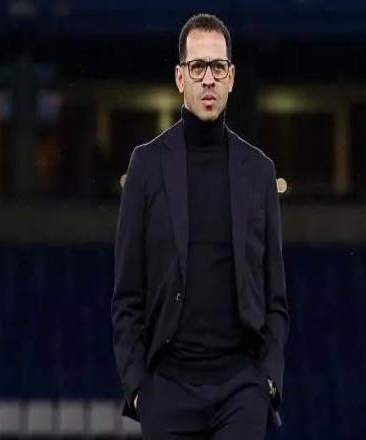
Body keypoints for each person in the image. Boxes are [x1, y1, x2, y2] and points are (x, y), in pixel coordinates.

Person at [111, 13, 290, 440]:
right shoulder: (147, 166)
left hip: (241, 390)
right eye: (197, 67)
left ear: (231, 77)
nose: (208, 79)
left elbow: (275, 297)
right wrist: (139, 388)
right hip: (167, 391)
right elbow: (127, 295)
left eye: (218, 67)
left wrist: (266, 380)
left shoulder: (259, 171)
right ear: (180, 78)